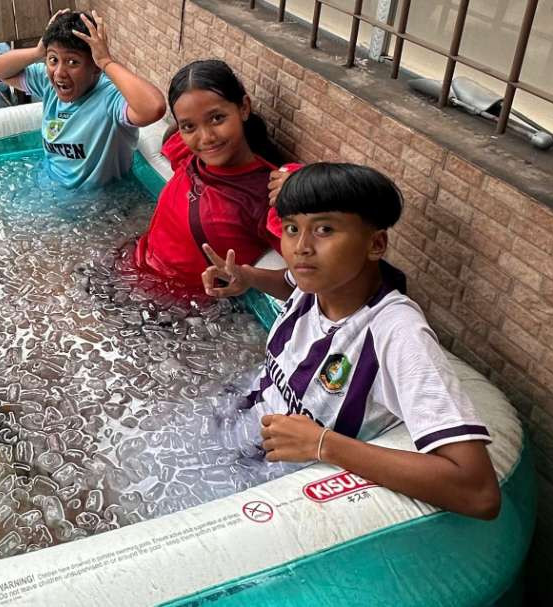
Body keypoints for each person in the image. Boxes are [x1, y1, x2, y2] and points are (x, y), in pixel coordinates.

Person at [202, 163, 501, 519]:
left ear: (376, 244)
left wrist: (323, 444)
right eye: (291, 228)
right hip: (234, 426)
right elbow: (289, 283)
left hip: (265, 487)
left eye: (324, 229)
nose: (301, 248)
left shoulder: (396, 333)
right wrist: (249, 278)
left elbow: (478, 490)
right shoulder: (322, 284)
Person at [133, 60, 285, 292]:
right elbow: (168, 142)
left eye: (217, 119)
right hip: (132, 265)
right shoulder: (188, 153)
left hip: (174, 308)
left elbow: (311, 279)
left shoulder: (265, 195)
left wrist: (249, 276)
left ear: (244, 108)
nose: (206, 138)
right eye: (189, 127)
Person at [0, 10, 166, 189]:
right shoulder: (47, 84)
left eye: (72, 62)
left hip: (100, 205)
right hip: (49, 187)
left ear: (95, 67)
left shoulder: (111, 98)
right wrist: (38, 51)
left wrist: (106, 61)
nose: (59, 73)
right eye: (53, 59)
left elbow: (154, 108)